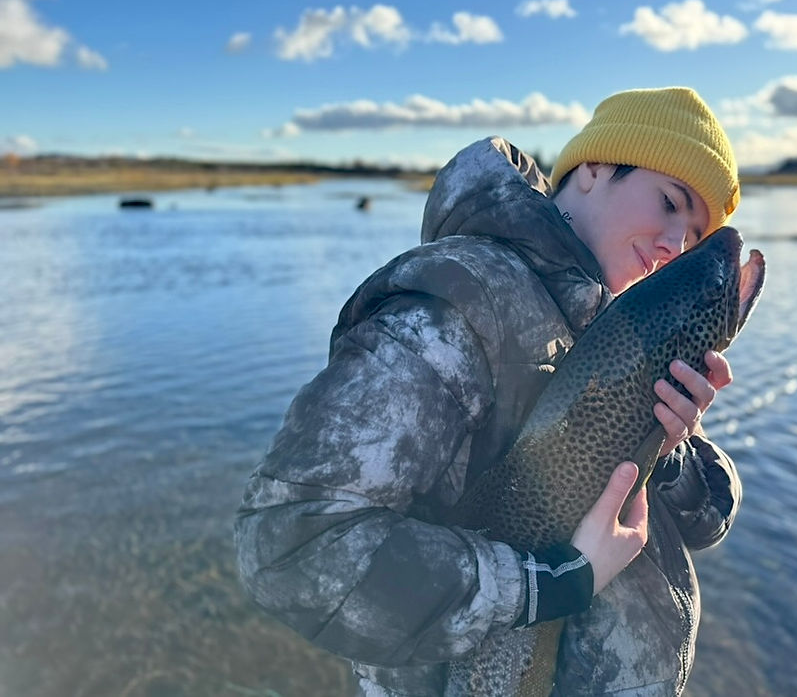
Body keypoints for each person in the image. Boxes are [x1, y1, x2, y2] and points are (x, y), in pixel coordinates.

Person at [234, 87, 743, 696]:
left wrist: (671, 449)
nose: (673, 246)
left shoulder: (627, 322)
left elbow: (707, 523)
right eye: (669, 204)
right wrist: (554, 582)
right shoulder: (460, 303)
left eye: (691, 237)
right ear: (596, 167)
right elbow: (293, 546)